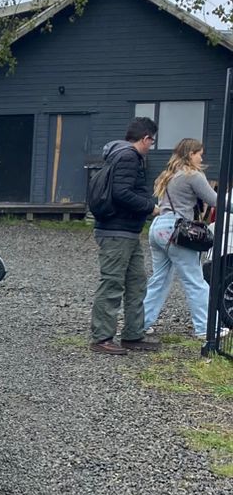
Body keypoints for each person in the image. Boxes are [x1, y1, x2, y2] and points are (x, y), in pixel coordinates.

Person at [90, 117, 161, 356]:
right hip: (116, 231)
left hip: (126, 230)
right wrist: (150, 207)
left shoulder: (118, 155)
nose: (151, 146)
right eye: (151, 141)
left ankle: (132, 334)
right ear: (146, 138)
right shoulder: (129, 157)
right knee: (112, 282)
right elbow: (122, 193)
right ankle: (101, 338)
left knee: (136, 281)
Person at [143, 138, 216, 339]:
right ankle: (206, 328)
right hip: (178, 231)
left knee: (159, 280)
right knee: (195, 280)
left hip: (158, 228)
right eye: (199, 153)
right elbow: (215, 200)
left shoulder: (168, 174)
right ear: (191, 154)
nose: (201, 157)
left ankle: (141, 323)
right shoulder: (193, 175)